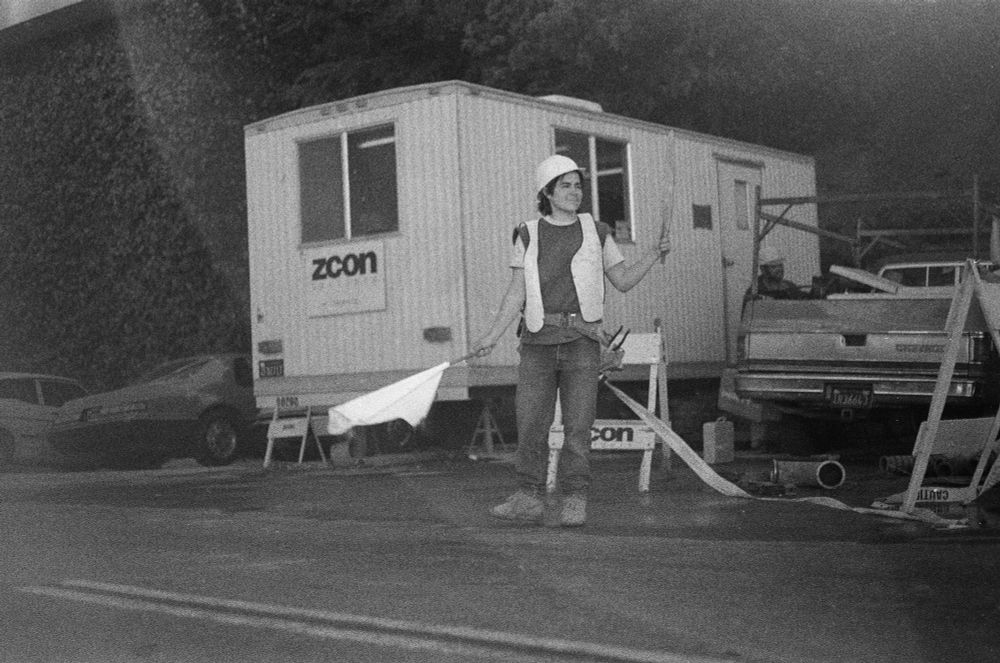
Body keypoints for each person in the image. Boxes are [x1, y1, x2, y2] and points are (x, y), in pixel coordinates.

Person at [472, 155, 672, 527]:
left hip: (582, 342)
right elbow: (516, 292)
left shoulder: (597, 232)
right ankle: (527, 497)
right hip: (536, 343)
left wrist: (653, 254)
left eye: (578, 185)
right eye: (565, 185)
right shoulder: (527, 233)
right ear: (546, 192)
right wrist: (491, 335)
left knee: (579, 427)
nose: (574, 192)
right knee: (531, 424)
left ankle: (575, 498)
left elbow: (624, 279)